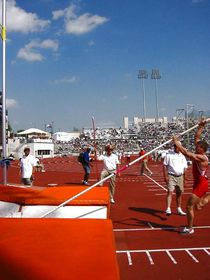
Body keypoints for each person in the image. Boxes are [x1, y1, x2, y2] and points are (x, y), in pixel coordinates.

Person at [173, 119, 209, 234]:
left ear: (202, 149)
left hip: (201, 185)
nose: (196, 147)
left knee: (189, 206)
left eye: (198, 147)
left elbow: (187, 154)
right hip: (198, 183)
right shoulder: (200, 151)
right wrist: (201, 127)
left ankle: (190, 228)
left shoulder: (202, 158)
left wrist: (177, 143)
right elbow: (196, 138)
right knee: (197, 207)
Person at [163, 144, 188, 216]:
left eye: (179, 147)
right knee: (170, 191)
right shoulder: (169, 155)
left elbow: (185, 168)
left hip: (180, 176)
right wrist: (165, 176)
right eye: (176, 147)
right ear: (174, 147)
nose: (178, 148)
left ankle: (179, 209)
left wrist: (185, 179)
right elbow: (164, 166)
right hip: (171, 176)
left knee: (179, 193)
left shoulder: (182, 156)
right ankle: (168, 208)